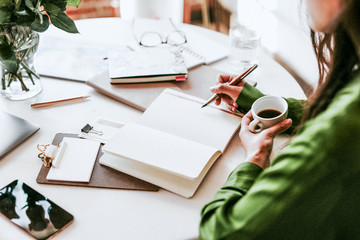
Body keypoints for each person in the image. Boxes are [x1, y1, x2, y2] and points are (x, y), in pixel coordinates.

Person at [199, 0, 360, 239]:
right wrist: (257, 101)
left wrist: (253, 159)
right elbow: (333, 109)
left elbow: (222, 232)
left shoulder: (345, 126)